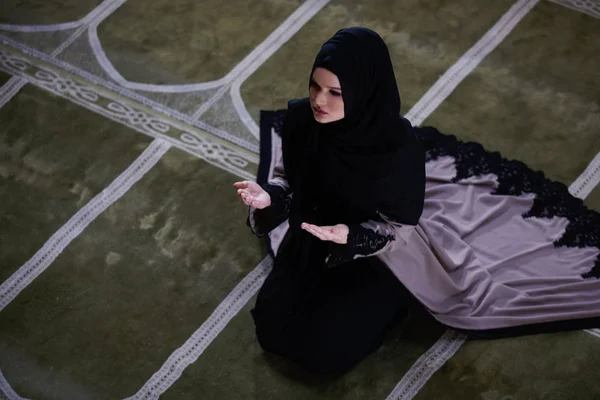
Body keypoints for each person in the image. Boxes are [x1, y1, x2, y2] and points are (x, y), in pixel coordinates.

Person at [234, 27, 600, 375]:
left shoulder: (396, 149)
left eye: (335, 92)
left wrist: (352, 235)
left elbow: (399, 226)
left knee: (323, 354)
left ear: (364, 92)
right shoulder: (300, 120)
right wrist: (271, 198)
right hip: (311, 241)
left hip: (377, 260)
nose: (318, 100)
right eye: (315, 85)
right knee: (273, 329)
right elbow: (288, 180)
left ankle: (398, 304)